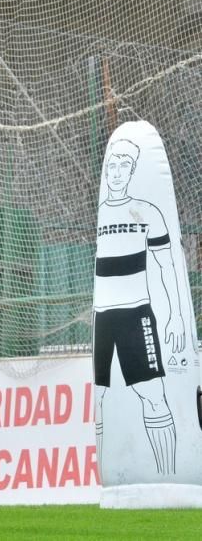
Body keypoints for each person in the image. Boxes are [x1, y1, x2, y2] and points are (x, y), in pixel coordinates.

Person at [93, 139, 185, 476]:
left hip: (135, 315)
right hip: (102, 318)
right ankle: (103, 480)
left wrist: (175, 315)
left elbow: (167, 265)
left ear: (132, 170)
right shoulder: (100, 212)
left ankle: (169, 476)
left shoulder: (148, 212)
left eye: (123, 166)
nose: (116, 173)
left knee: (154, 395)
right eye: (111, 166)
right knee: (98, 399)